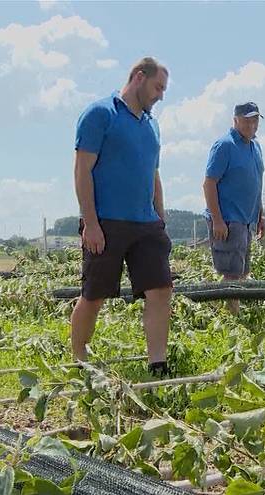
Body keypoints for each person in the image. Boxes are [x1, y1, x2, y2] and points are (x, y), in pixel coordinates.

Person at [70, 57, 173, 377]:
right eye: (158, 87)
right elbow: (82, 170)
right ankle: (79, 357)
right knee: (94, 295)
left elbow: (153, 173)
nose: (160, 95)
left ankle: (157, 363)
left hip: (146, 223)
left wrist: (161, 217)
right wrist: (91, 223)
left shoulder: (151, 124)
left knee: (161, 289)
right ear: (139, 77)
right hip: (107, 222)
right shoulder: (100, 113)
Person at [203, 102, 265, 314]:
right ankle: (231, 318)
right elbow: (209, 183)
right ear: (236, 120)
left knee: (243, 271)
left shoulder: (255, 147)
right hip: (229, 220)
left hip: (247, 219)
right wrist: (217, 220)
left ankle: (234, 313)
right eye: (247, 120)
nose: (252, 124)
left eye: (255, 120)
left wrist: (260, 215)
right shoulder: (225, 145)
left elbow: (257, 183)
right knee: (230, 273)